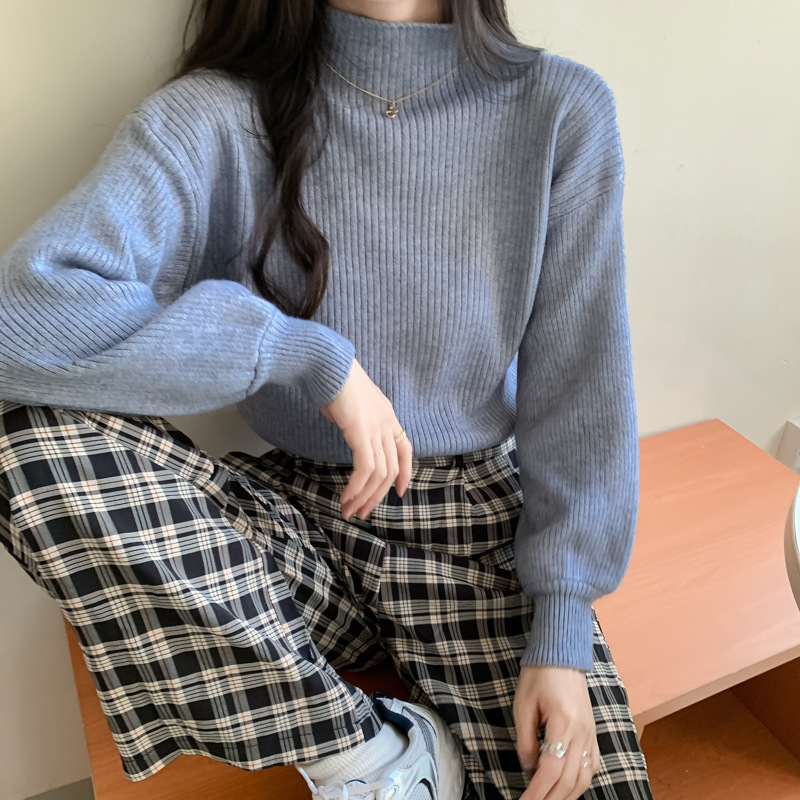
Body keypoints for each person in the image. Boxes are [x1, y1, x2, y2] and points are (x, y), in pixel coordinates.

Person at [0, 1, 652, 798]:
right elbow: (17, 324)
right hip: (298, 526)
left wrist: (562, 628)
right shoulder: (219, 114)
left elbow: (580, 386)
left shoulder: (558, 109)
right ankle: (365, 754)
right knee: (26, 439)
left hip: (477, 537)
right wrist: (303, 355)